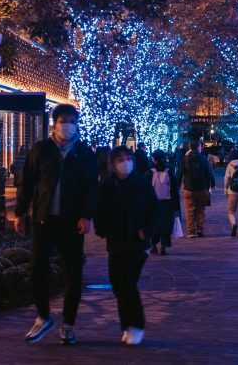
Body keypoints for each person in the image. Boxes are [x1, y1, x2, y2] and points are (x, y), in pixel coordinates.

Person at [14, 103, 98, 346]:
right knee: (37, 268)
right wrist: (20, 213)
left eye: (72, 121)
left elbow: (91, 187)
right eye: (64, 120)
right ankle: (43, 316)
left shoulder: (83, 153)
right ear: (54, 123)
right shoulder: (41, 150)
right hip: (43, 220)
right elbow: (26, 182)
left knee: (73, 273)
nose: (68, 125)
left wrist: (87, 215)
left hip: (72, 222)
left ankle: (68, 324)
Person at [95, 146, 159, 346]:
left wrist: (146, 230)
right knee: (117, 285)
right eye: (119, 159)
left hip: (137, 244)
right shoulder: (107, 186)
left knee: (128, 284)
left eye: (127, 158)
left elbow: (154, 211)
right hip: (115, 243)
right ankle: (126, 326)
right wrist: (101, 229)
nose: (124, 162)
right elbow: (99, 210)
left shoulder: (141, 184)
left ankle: (137, 325)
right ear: (113, 164)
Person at [147, 150, 180, 254]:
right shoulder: (169, 171)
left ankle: (153, 245)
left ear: (154, 159)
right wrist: (177, 207)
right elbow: (175, 190)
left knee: (154, 222)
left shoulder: (150, 172)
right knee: (166, 224)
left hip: (153, 203)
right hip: (168, 202)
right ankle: (163, 246)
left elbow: (145, 188)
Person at [181, 139, 214, 237]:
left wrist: (176, 185)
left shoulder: (185, 159)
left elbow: (179, 173)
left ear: (190, 148)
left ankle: (191, 231)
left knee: (189, 210)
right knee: (201, 209)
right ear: (199, 147)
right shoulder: (203, 159)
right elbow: (209, 172)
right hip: (202, 188)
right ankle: (200, 229)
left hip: (189, 188)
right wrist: (212, 184)